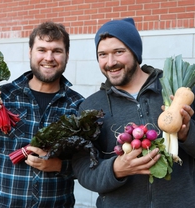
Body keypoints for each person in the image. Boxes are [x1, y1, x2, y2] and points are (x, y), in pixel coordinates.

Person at [72, 18, 195, 207]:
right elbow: (83, 171)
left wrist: (188, 135)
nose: (110, 62)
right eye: (102, 54)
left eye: (119, 52)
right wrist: (115, 170)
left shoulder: (176, 92)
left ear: (135, 53)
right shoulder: (91, 106)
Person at [0, 21, 84, 208]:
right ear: (30, 52)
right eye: (42, 50)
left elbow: (87, 167)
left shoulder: (78, 105)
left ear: (67, 56)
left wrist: (59, 166)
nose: (49, 57)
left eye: (57, 51)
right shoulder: (2, 97)